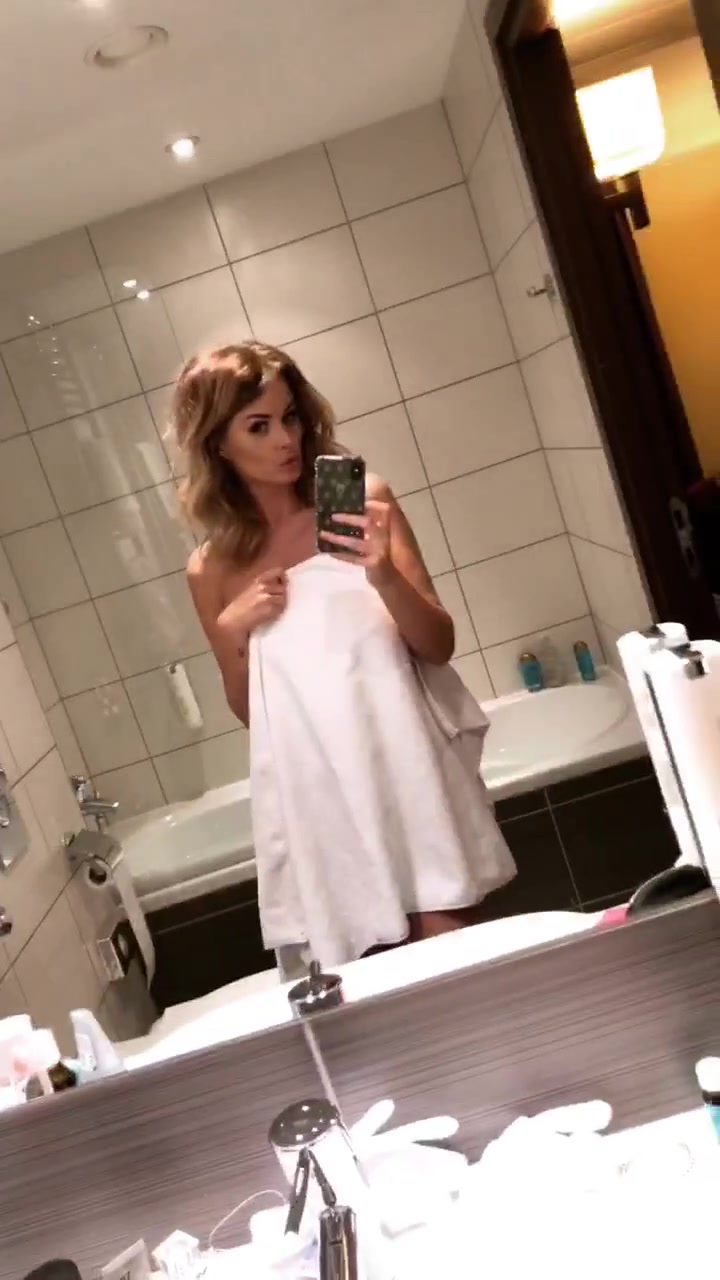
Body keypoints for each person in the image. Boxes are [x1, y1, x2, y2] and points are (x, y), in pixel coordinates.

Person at [174, 341, 516, 975]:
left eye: (290, 417)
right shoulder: (215, 566)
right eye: (259, 426)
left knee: (453, 957)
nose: (286, 440)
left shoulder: (346, 496)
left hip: (405, 765)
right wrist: (233, 630)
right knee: (370, 979)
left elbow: (437, 645)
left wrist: (384, 575)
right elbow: (252, 715)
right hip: (321, 792)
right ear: (218, 444)